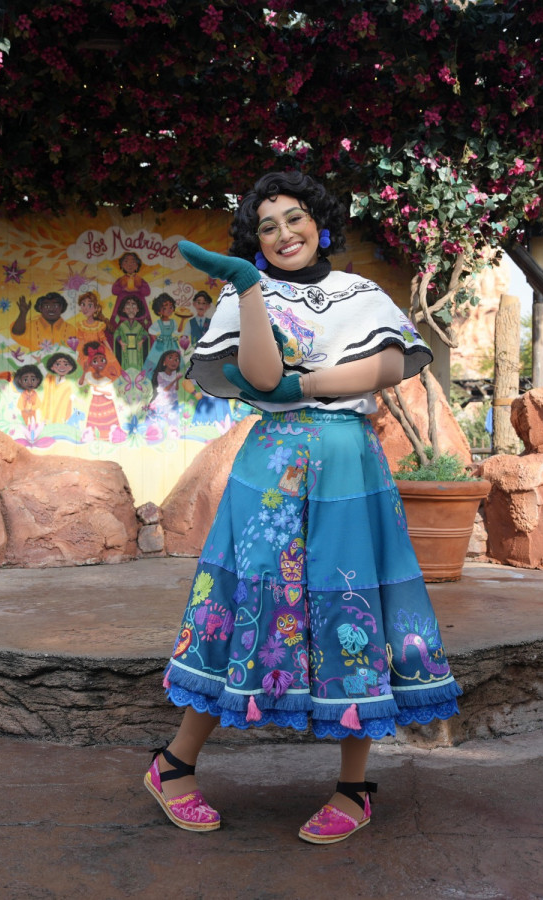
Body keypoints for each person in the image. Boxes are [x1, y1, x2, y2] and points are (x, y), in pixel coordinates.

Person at [145, 170, 459, 845]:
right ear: (253, 241)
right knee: (245, 602)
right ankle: (172, 765)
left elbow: (389, 365)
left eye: (294, 218)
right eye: (266, 226)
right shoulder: (244, 294)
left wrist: (308, 382)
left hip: (351, 465)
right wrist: (248, 286)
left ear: (319, 222)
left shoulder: (360, 293)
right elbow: (261, 378)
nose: (284, 233)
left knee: (354, 607)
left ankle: (354, 787)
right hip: (272, 473)